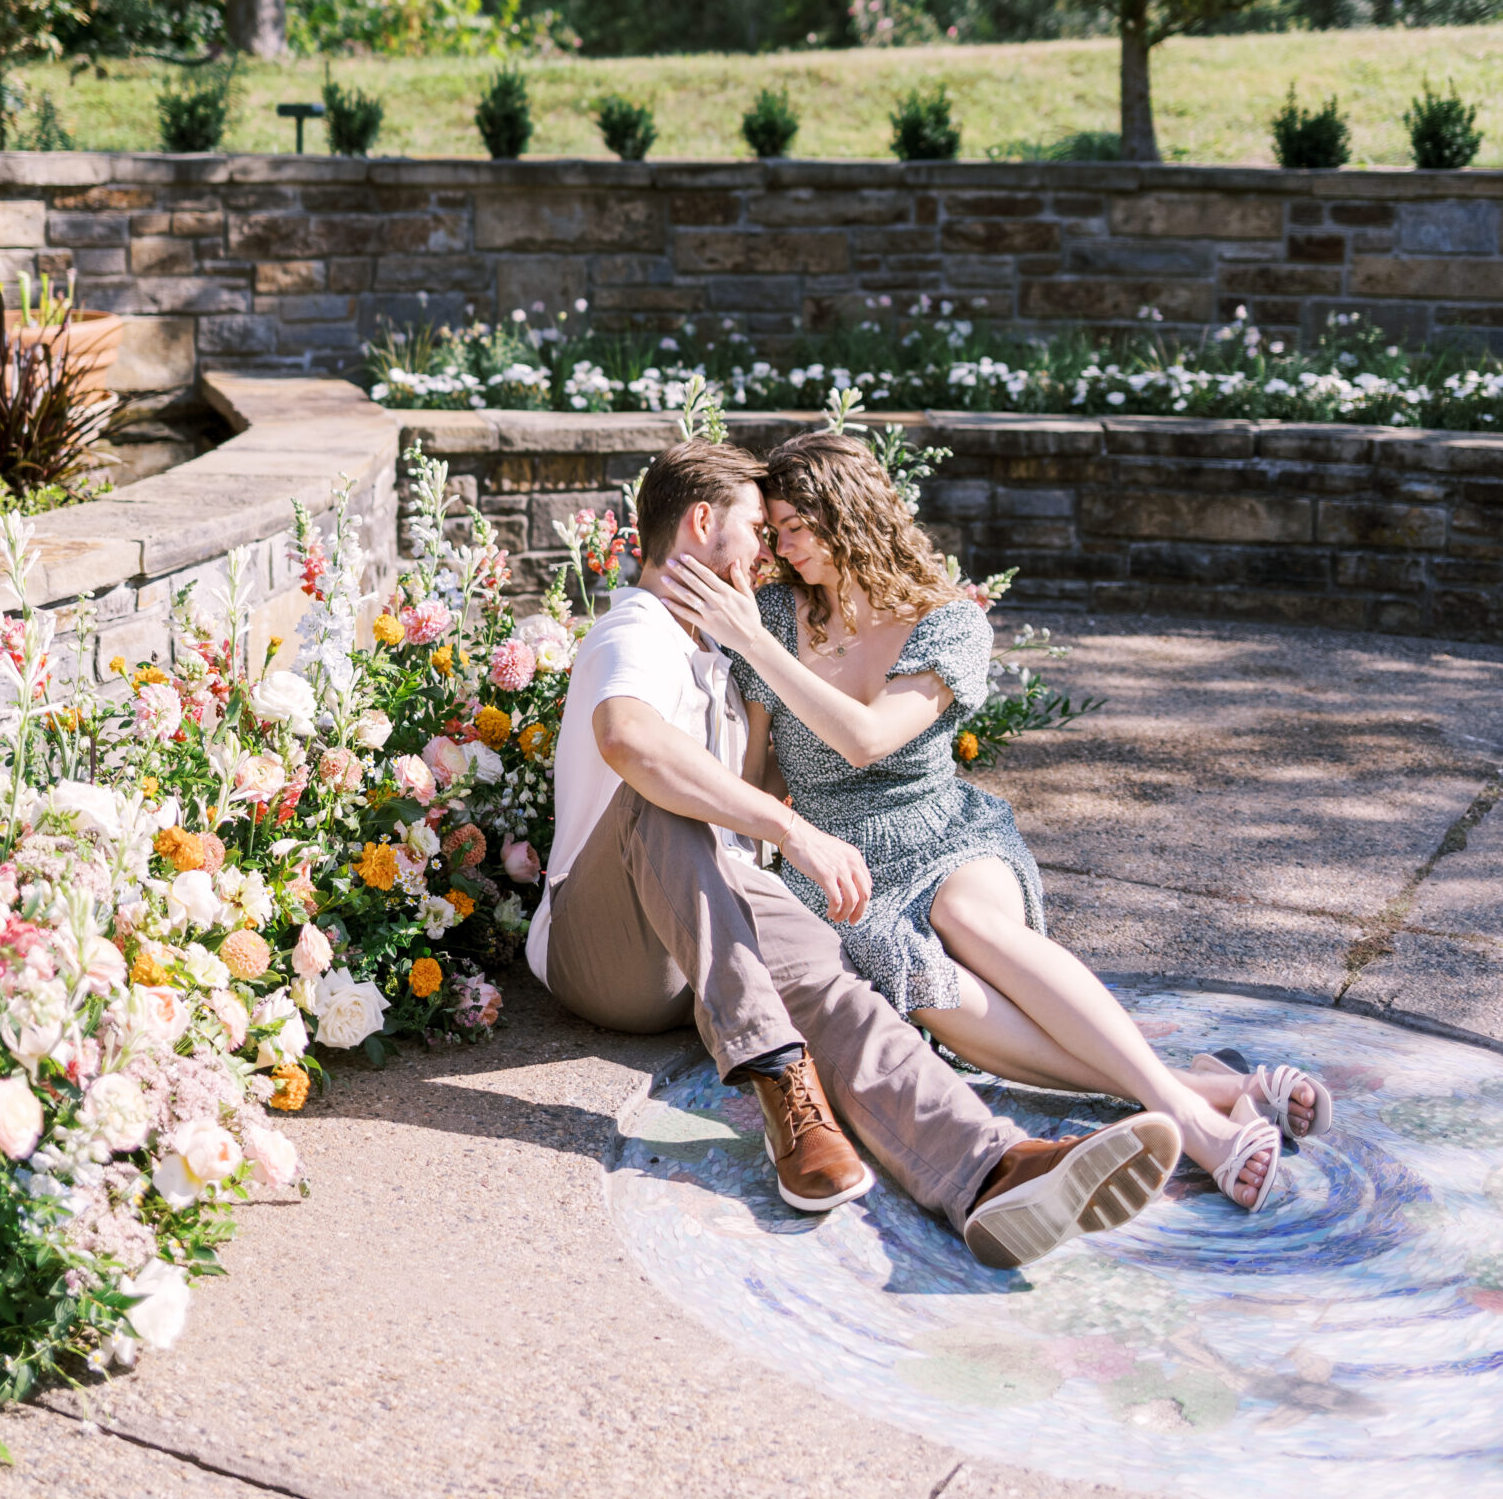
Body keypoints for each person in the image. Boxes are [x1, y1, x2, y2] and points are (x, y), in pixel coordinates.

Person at [526, 437, 1183, 1269]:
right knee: (667, 803)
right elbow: (628, 741)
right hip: (602, 957)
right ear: (700, 523)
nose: (770, 552)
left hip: (702, 948)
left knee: (833, 981)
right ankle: (778, 1079)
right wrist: (791, 829)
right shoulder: (638, 630)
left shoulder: (717, 652)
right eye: (758, 529)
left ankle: (988, 1170)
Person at [662, 430, 1337, 1218]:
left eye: (796, 528)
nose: (781, 547)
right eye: (772, 531)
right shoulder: (773, 614)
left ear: (847, 517)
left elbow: (867, 738)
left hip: (946, 834)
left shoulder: (945, 622)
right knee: (921, 977)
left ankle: (1191, 1124)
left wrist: (749, 642)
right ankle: (1209, 1089)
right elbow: (760, 774)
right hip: (848, 866)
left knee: (962, 914)